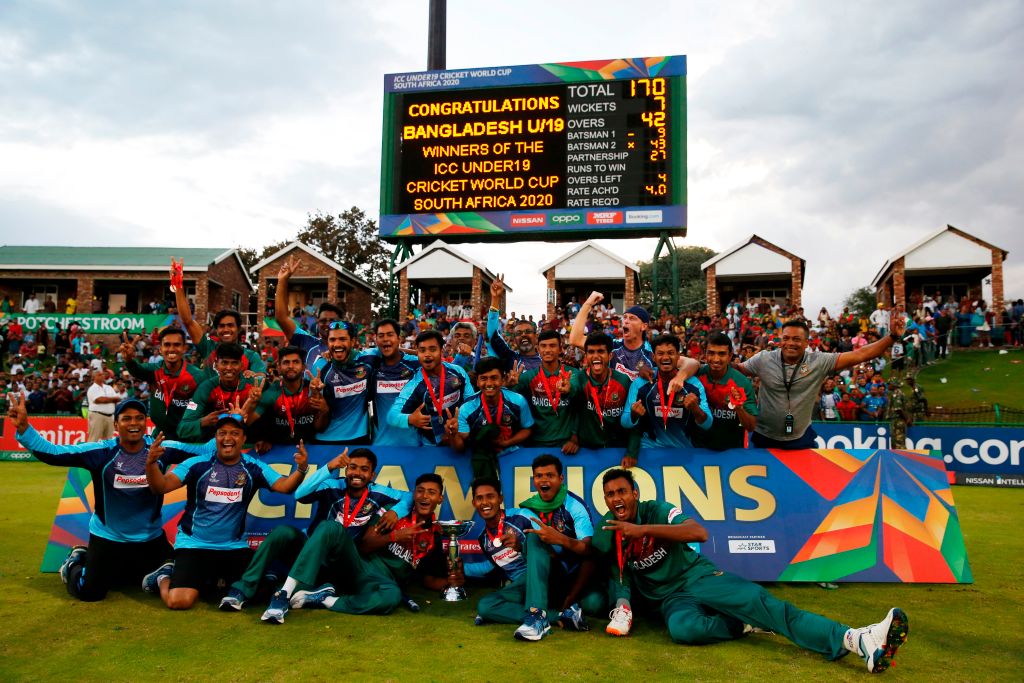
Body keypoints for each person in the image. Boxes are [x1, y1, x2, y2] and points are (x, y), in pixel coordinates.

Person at [592, 468, 909, 673]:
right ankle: (743, 624)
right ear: (605, 500)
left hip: (698, 578)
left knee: (765, 604)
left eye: (622, 491)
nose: (617, 498)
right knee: (683, 630)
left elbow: (698, 532)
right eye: (610, 494)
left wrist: (643, 529)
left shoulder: (658, 509)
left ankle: (856, 639)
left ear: (635, 493)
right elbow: (612, 571)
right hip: (672, 600)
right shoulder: (608, 530)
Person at [10, 396, 208, 601]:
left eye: (139, 418)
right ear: (115, 425)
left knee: (183, 579)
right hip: (108, 538)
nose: (133, 423)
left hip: (150, 539)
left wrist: (228, 420)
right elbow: (54, 453)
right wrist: (24, 429)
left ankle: (141, 568)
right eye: (126, 418)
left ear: (145, 423)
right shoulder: (101, 452)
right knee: (90, 593)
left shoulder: (161, 449)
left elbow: (205, 451)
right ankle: (75, 562)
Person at [141, 413, 307, 610]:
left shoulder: (253, 467)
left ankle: (215, 579)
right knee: (178, 602)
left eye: (234, 433)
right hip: (194, 545)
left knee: (259, 593)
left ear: (243, 439)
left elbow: (285, 486)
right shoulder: (196, 464)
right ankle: (163, 576)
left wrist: (301, 470)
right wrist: (151, 464)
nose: (228, 438)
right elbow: (160, 487)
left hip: (233, 547)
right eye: (222, 433)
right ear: (216, 438)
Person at [257, 448, 412, 624]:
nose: (357, 473)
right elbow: (300, 494)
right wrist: (329, 467)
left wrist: (395, 512)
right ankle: (283, 593)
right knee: (327, 527)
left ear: (372, 475)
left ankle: (325, 599)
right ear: (346, 469)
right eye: (353, 467)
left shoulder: (379, 492)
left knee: (391, 594)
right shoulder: (332, 485)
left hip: (348, 563)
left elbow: (409, 496)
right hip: (319, 561)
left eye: (364, 469)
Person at [736, 315, 906, 449]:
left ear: (806, 343)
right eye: (786, 338)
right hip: (765, 437)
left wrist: (892, 337)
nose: (790, 343)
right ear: (780, 340)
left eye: (796, 339)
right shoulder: (764, 359)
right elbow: (738, 370)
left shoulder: (819, 361)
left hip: (800, 438)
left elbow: (861, 354)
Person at [502, 454, 604, 641]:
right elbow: (537, 555)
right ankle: (539, 617)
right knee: (533, 538)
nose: (544, 480)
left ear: (561, 478)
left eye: (550, 475)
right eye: (539, 476)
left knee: (594, 604)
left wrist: (561, 539)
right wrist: (520, 546)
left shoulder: (574, 506)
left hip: (577, 576)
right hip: (551, 577)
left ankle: (559, 610)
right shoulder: (529, 508)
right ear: (534, 480)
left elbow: (589, 552)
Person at [169, 259, 266, 379]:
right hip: (208, 392)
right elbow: (187, 321)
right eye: (221, 326)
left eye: (230, 325)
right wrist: (178, 284)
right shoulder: (208, 347)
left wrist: (254, 377)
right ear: (216, 329)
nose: (226, 329)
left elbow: (261, 377)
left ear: (238, 328)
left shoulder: (251, 356)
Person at [470, 476, 546, 623]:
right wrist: (461, 568)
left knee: (489, 604)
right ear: (474, 503)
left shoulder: (522, 516)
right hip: (519, 589)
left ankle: (538, 613)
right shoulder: (483, 539)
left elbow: (549, 550)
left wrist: (522, 547)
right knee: (485, 606)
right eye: (479, 498)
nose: (484, 502)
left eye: (490, 496)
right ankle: (558, 616)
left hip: (541, 579)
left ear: (500, 498)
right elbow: (490, 567)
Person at [450, 356, 533, 479]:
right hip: (481, 460)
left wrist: (507, 443)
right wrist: (453, 435)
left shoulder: (518, 401)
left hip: (513, 457)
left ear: (503, 379)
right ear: (477, 382)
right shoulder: (466, 409)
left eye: (494, 378)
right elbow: (460, 447)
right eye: (483, 378)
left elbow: (528, 429)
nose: (489, 384)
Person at [623, 334, 712, 449]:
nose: (665, 357)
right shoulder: (640, 383)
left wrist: (696, 409)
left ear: (678, 356)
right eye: (660, 353)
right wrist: (633, 415)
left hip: (683, 449)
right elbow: (624, 422)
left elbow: (708, 424)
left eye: (670, 353)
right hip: (650, 448)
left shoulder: (693, 385)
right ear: (653, 357)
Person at [387, 330, 472, 446]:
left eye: (432, 349)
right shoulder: (414, 385)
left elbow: (471, 402)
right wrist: (410, 419)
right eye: (422, 350)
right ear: (417, 353)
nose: (427, 354)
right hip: (431, 446)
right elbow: (392, 416)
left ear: (441, 351)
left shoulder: (458, 371)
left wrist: (461, 425)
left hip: (460, 439)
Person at [177, 343, 274, 442]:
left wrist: (253, 407)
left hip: (249, 444)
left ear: (241, 365)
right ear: (216, 364)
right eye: (224, 363)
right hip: (216, 444)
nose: (229, 368)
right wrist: (204, 422)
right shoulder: (206, 388)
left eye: (234, 363)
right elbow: (182, 429)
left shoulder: (256, 386)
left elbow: (274, 420)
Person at [120, 327, 204, 440]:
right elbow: (137, 370)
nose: (172, 349)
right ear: (160, 349)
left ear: (184, 348)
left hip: (188, 438)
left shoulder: (197, 376)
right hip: (160, 436)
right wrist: (129, 360)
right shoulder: (154, 370)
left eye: (177, 345)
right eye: (167, 345)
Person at [509, 329, 582, 454]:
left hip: (566, 443)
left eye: (552, 346)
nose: (547, 350)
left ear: (560, 349)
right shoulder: (528, 377)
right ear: (538, 349)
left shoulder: (572, 374)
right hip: (536, 443)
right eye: (543, 346)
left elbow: (578, 399)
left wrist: (575, 438)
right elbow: (508, 399)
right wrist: (509, 386)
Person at [575, 333, 641, 468]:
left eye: (601, 351)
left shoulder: (623, 381)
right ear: (586, 356)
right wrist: (573, 437)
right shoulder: (579, 379)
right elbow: (571, 411)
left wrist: (632, 452)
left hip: (618, 450)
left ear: (610, 356)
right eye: (591, 352)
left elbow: (634, 418)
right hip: (588, 450)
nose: (596, 356)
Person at [251, 345, 330, 451]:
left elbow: (319, 428)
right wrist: (262, 437)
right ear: (278, 367)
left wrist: (325, 411)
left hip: (310, 449)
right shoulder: (271, 393)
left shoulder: (313, 390)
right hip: (277, 450)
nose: (291, 366)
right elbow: (251, 422)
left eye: (296, 362)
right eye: (286, 362)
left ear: (303, 367)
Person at [309, 320, 376, 445]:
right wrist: (315, 396)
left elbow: (394, 351)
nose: (337, 344)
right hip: (325, 439)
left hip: (359, 438)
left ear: (353, 341)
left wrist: (416, 352)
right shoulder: (320, 367)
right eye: (332, 340)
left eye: (342, 339)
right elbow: (315, 420)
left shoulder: (368, 359)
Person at [569, 292, 658, 381]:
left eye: (632, 318)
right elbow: (575, 339)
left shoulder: (652, 354)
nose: (626, 321)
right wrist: (588, 303)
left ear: (643, 326)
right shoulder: (612, 345)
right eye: (625, 317)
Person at [360, 318, 421, 447]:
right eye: (381, 336)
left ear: (399, 338)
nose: (385, 339)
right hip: (381, 445)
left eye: (390, 334)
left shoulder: (415, 364)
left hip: (414, 444)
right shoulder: (371, 365)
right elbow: (349, 356)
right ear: (376, 340)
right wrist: (328, 354)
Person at [274, 257, 344, 367]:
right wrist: (282, 281)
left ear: (341, 323)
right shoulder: (307, 341)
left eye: (332, 321)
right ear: (317, 322)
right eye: (323, 321)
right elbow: (281, 318)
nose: (327, 324)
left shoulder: (349, 350)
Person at [693, 332, 758, 450]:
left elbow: (751, 426)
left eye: (721, 354)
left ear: (730, 355)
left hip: (731, 450)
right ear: (705, 353)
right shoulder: (696, 375)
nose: (716, 359)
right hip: (698, 448)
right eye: (711, 353)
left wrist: (739, 408)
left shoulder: (742, 382)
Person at [486, 275, 542, 372]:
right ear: (514, 339)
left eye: (528, 331)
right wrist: (495, 299)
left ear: (536, 336)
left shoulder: (546, 360)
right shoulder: (510, 358)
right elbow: (493, 335)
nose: (523, 335)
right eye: (519, 333)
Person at [86, 370, 119, 442]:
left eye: (103, 374)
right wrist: (111, 399)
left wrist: (109, 400)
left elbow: (116, 399)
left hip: (110, 416)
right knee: (94, 438)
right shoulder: (92, 388)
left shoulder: (109, 387)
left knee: (108, 440)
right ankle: (91, 450)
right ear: (94, 377)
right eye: (99, 375)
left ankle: (106, 450)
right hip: (97, 415)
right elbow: (99, 400)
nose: (102, 376)